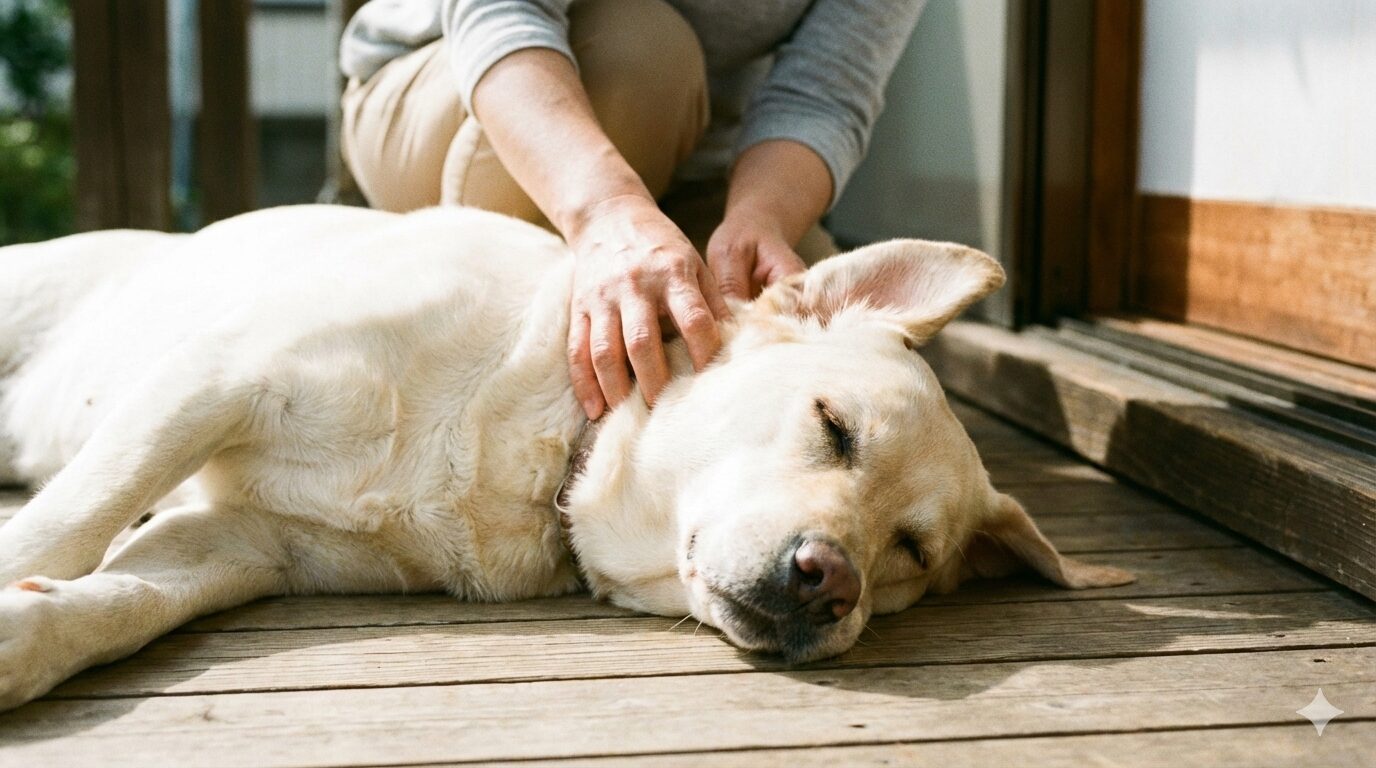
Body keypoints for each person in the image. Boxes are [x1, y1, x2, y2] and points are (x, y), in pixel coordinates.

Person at [339, 0, 926, 420]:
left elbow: (824, 93)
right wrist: (608, 211)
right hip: (455, 87)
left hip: (697, 157)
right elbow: (500, 15)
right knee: (644, 57)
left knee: (826, 349)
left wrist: (761, 218)